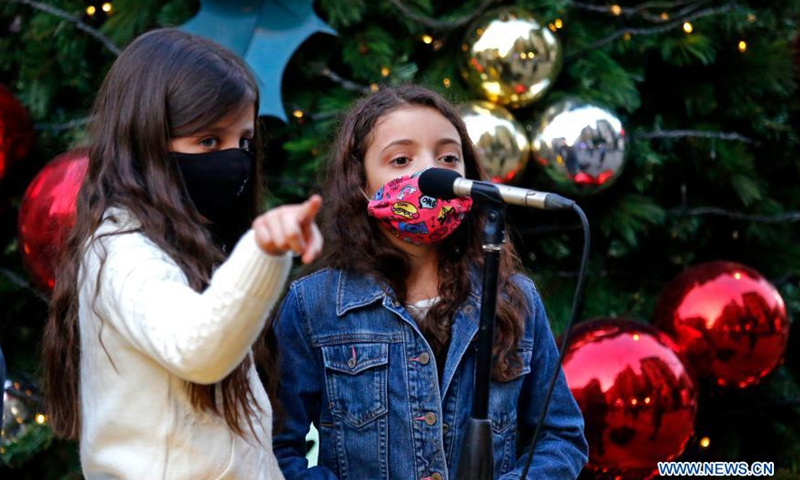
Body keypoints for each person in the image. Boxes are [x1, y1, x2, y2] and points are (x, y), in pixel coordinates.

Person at [41, 28, 322, 480]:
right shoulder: (122, 252)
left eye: (244, 142)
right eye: (209, 141)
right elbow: (199, 349)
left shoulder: (192, 246)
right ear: (146, 142)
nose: (234, 161)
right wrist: (263, 251)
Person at [272, 85, 588, 479]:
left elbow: (560, 437)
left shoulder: (513, 297)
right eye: (401, 159)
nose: (430, 173)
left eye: (448, 158)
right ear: (360, 182)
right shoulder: (314, 304)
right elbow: (278, 449)